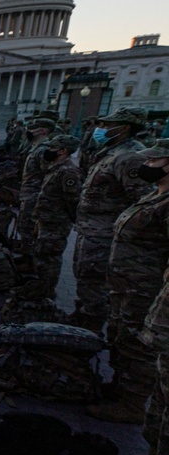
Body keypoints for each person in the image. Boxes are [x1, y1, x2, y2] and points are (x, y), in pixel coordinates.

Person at [86, 139, 169, 424]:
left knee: (137, 346)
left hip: (146, 288)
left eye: (153, 161)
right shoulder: (156, 196)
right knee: (121, 337)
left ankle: (132, 405)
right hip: (127, 284)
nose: (145, 165)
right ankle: (120, 387)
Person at [73, 107, 153, 337]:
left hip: (105, 233)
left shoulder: (130, 156)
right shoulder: (112, 151)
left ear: (125, 127)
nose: (103, 129)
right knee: (85, 277)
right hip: (92, 229)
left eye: (109, 125)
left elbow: (142, 200)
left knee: (93, 280)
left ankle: (89, 330)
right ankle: (84, 318)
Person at [126, 142, 169, 455]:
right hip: (146, 300)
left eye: (156, 158)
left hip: (149, 297)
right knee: (161, 418)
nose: (148, 163)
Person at [29, 135, 82, 297]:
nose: (48, 151)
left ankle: (47, 291)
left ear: (63, 151)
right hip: (46, 219)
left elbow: (73, 201)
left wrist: (68, 220)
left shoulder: (69, 171)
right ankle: (42, 285)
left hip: (56, 223)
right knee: (42, 254)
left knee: (50, 257)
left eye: (52, 148)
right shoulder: (56, 167)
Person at [14, 118, 56, 249]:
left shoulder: (43, 150)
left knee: (29, 226)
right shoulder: (36, 148)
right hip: (29, 194)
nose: (28, 131)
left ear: (42, 131)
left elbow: (48, 176)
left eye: (32, 129)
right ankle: (26, 251)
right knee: (24, 224)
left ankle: (29, 256)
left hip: (35, 195)